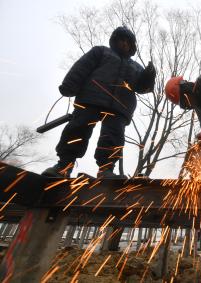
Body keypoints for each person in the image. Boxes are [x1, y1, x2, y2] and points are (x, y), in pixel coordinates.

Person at [42, 26, 156, 178]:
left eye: (128, 42)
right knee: (77, 129)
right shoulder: (101, 52)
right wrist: (70, 85)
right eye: (121, 40)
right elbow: (81, 68)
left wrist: (149, 76)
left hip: (119, 107)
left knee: (113, 137)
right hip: (90, 99)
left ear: (132, 46)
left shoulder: (136, 67)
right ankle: (63, 165)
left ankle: (106, 170)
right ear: (115, 41)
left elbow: (143, 88)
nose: (124, 44)